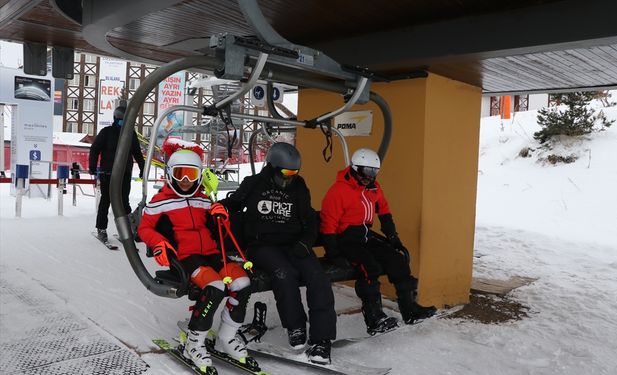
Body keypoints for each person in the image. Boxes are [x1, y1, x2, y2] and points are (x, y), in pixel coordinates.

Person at [217, 142, 336, 364]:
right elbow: (233, 204)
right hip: (262, 246)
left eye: (294, 173)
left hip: (294, 244)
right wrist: (217, 209)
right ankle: (296, 326)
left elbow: (310, 220)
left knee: (318, 277)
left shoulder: (299, 187)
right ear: (272, 167)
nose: (289, 178)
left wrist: (306, 242)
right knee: (284, 273)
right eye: (286, 173)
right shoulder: (254, 184)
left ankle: (322, 339)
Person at [138, 140, 252, 369]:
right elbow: (144, 228)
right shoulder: (161, 201)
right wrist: (159, 243)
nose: (186, 181)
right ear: (171, 174)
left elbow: (217, 227)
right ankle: (194, 341)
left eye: (191, 174)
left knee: (242, 282)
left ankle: (226, 337)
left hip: (211, 251)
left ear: (199, 175)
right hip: (186, 255)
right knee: (215, 287)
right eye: (180, 174)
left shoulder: (203, 198)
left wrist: (221, 214)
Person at [320, 148, 437, 335]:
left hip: (366, 237)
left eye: (374, 172)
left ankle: (410, 310)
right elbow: (329, 223)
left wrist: (393, 238)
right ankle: (374, 318)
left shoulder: (374, 188)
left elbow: (384, 212)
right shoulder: (339, 191)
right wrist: (333, 253)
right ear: (355, 169)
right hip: (346, 240)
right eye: (366, 172)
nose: (369, 177)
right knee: (369, 267)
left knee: (398, 261)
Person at [89, 104, 145, 242]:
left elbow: (137, 153)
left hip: (125, 173)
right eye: (120, 121)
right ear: (115, 119)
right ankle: (101, 228)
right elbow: (95, 149)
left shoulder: (131, 134)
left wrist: (143, 168)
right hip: (108, 173)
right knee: (106, 201)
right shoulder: (106, 132)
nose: (123, 124)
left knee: (124, 202)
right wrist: (92, 166)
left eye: (126, 121)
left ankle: (125, 229)